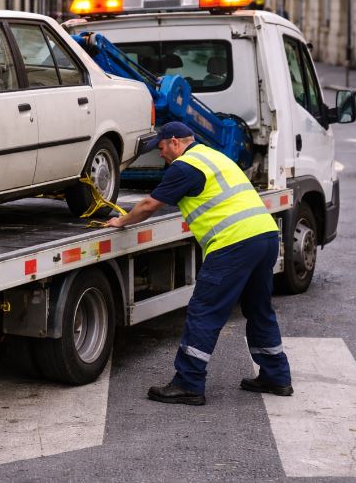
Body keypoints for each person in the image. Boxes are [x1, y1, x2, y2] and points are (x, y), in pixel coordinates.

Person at [107, 122, 293, 406]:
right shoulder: (214, 156)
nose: (161, 155)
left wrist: (120, 221)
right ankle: (276, 376)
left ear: (175, 142)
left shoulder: (184, 166)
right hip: (264, 236)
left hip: (234, 243)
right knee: (259, 309)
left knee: (204, 311)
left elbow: (148, 205)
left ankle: (188, 383)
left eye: (161, 148)